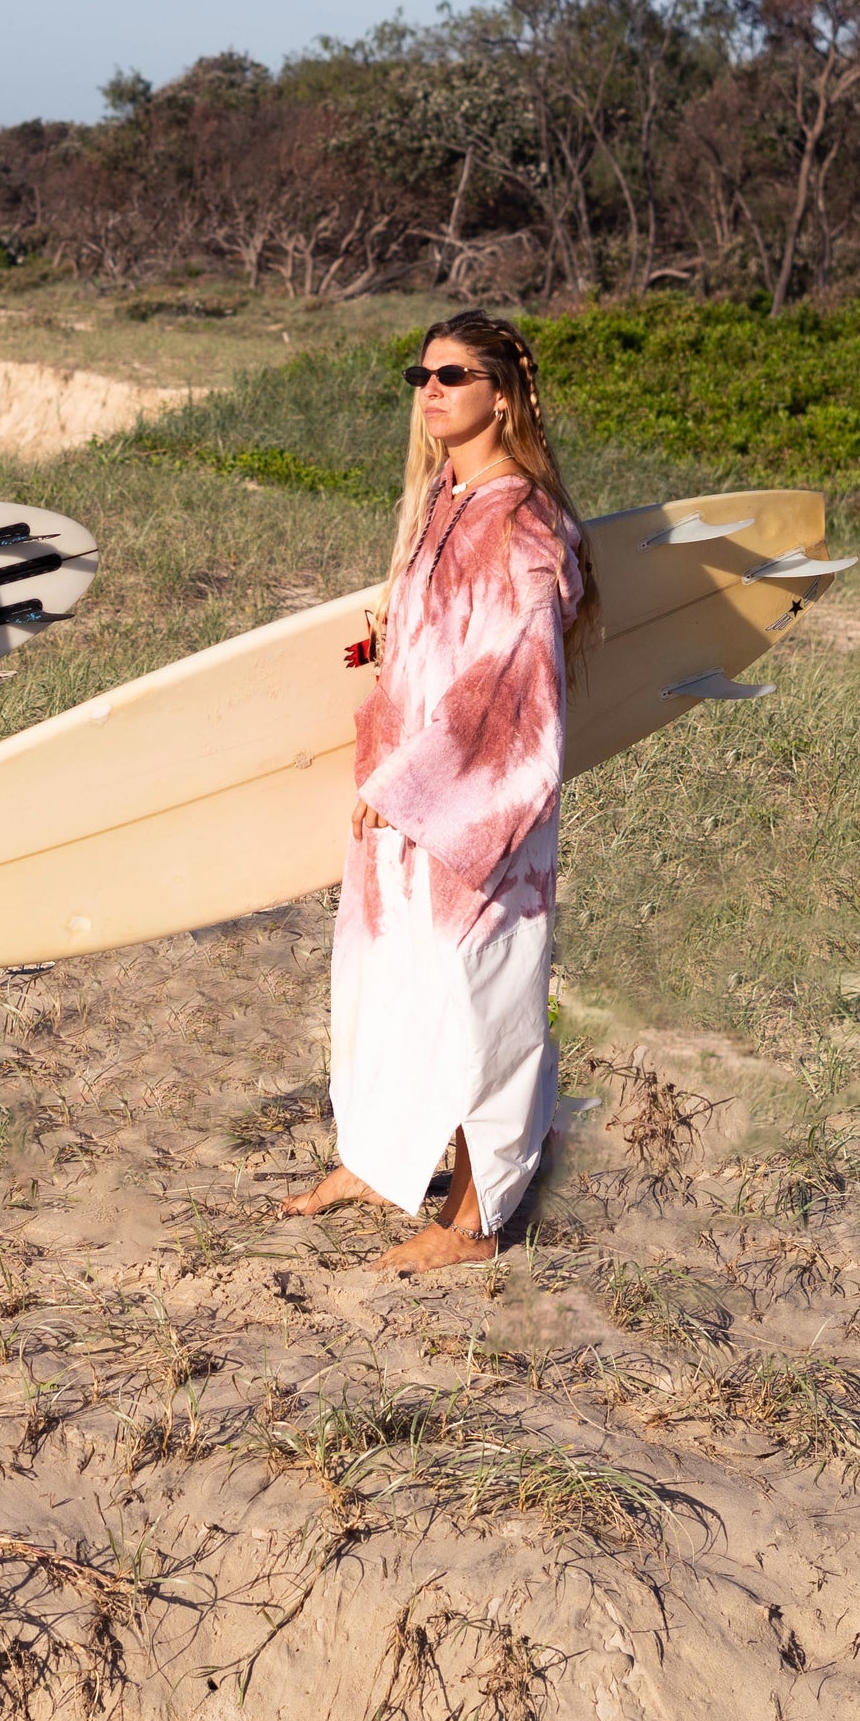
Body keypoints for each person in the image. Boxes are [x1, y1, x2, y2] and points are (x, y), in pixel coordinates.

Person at [282, 311, 590, 1274]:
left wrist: (417, 783)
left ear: (502, 393)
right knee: (390, 985)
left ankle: (476, 1220)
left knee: (476, 999)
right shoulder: (447, 502)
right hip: (405, 792)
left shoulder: (523, 523)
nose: (429, 391)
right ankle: (378, 1164)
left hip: (473, 808)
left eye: (452, 376)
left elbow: (516, 683)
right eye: (419, 374)